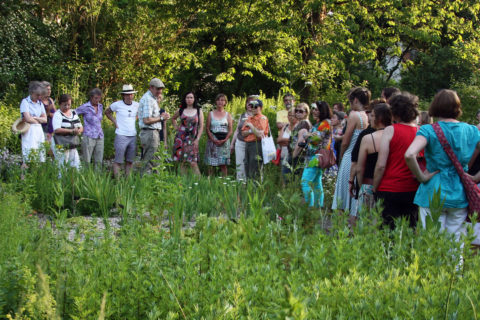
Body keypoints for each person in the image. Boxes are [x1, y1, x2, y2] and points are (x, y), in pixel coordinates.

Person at [405, 89, 480, 241]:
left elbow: (409, 154)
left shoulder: (428, 130)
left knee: (432, 242)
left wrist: (422, 177)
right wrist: (476, 178)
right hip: (459, 191)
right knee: (455, 244)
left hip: (433, 190)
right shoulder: (471, 130)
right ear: (457, 108)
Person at [373, 92, 420, 229]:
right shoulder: (420, 131)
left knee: (387, 232)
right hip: (412, 189)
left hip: (389, 188)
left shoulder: (390, 130)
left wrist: (375, 188)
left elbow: (381, 165)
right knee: (409, 232)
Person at [332, 87, 370, 213]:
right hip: (361, 157)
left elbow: (346, 141)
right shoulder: (366, 116)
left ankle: (342, 223)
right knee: (354, 191)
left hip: (349, 156)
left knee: (343, 192)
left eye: (350, 101)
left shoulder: (354, 115)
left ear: (355, 100)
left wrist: (341, 157)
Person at [356, 103, 392, 212]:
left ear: (379, 118)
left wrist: (360, 186)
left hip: (369, 185)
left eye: (372, 115)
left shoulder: (368, 139)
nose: (369, 118)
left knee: (366, 222)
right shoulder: (394, 136)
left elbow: (359, 168)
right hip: (389, 186)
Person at [300, 101, 332, 208]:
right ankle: (318, 207)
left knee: (305, 182)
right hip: (314, 156)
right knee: (316, 183)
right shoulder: (319, 123)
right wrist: (309, 135)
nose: (313, 111)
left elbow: (315, 139)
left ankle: (310, 207)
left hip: (317, 157)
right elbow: (312, 137)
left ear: (323, 111)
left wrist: (306, 135)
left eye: (316, 109)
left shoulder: (326, 123)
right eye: (313, 109)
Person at [105, 85, 140, 177]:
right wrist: (114, 122)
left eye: (131, 94)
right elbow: (107, 112)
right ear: (123, 95)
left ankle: (128, 182)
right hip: (121, 135)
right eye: (127, 95)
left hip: (132, 135)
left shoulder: (137, 105)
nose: (130, 96)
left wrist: (133, 120)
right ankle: (118, 181)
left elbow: (139, 114)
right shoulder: (117, 104)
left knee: (130, 161)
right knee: (118, 160)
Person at [138, 78, 170, 174]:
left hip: (152, 133)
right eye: (158, 89)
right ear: (151, 88)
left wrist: (163, 117)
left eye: (161, 89)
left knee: (156, 161)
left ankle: (156, 185)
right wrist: (161, 118)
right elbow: (146, 120)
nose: (160, 91)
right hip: (150, 133)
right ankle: (143, 183)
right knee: (148, 161)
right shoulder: (148, 99)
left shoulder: (152, 99)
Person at [172, 92, 204, 175]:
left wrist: (198, 139)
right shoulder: (181, 110)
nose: (189, 99)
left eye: (191, 97)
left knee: (193, 162)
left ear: (194, 99)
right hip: (180, 139)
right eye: (187, 98)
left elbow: (201, 126)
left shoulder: (198, 111)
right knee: (182, 162)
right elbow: (173, 118)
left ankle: (200, 183)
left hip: (192, 139)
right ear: (185, 99)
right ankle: (183, 183)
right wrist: (176, 128)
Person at [205, 93, 233, 176]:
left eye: (222, 100)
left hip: (224, 142)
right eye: (218, 100)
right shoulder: (211, 114)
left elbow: (230, 130)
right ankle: (210, 182)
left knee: (223, 164)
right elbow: (207, 128)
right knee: (211, 164)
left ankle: (224, 182)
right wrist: (213, 139)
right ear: (216, 102)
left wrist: (225, 140)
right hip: (212, 141)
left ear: (225, 102)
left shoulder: (228, 115)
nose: (220, 102)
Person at [52, 94, 83, 168]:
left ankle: (74, 179)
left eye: (69, 104)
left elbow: (81, 127)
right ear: (60, 104)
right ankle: (60, 179)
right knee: (62, 165)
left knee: (76, 165)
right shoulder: (57, 114)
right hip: (61, 143)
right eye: (64, 105)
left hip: (72, 143)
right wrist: (71, 131)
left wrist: (78, 131)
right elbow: (56, 130)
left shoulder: (73, 112)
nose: (67, 107)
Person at [241, 99, 269, 179]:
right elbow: (243, 133)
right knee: (247, 166)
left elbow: (260, 134)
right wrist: (252, 130)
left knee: (255, 168)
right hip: (248, 144)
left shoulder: (262, 118)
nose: (253, 108)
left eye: (256, 106)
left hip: (257, 145)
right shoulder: (249, 118)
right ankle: (249, 188)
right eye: (251, 106)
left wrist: (250, 126)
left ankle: (255, 189)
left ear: (261, 108)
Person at [19, 81, 47, 163]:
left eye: (40, 95)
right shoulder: (25, 102)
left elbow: (45, 120)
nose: (39, 97)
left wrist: (34, 117)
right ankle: (25, 174)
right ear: (32, 92)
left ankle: (36, 174)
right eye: (37, 95)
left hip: (38, 130)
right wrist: (39, 119)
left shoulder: (40, 104)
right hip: (28, 130)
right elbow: (27, 118)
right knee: (28, 154)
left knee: (39, 154)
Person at [76, 88, 104, 168]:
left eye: (99, 98)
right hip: (89, 135)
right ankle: (86, 177)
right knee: (87, 160)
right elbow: (73, 114)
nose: (97, 100)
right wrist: (79, 125)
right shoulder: (85, 107)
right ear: (91, 97)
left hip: (99, 135)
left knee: (99, 160)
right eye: (96, 98)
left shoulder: (100, 106)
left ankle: (97, 178)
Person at [231, 95, 256, 180]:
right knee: (240, 165)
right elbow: (237, 130)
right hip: (240, 143)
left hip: (253, 144)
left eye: (252, 103)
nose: (250, 105)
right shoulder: (242, 115)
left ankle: (252, 186)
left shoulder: (258, 116)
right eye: (248, 103)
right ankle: (241, 185)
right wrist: (232, 144)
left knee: (252, 165)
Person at [288, 103, 311, 177]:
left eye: (301, 111)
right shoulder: (300, 123)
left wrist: (293, 157)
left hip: (298, 156)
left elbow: (300, 142)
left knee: (292, 179)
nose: (297, 113)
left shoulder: (304, 124)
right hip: (295, 154)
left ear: (306, 113)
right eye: (296, 111)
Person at [277, 109, 298, 183]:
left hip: (295, 155)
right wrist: (289, 141)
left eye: (293, 115)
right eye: (289, 115)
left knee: (294, 177)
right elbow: (279, 140)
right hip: (284, 153)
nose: (291, 117)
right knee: (284, 176)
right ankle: (284, 192)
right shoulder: (285, 126)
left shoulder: (299, 127)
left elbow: (297, 141)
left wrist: (285, 141)